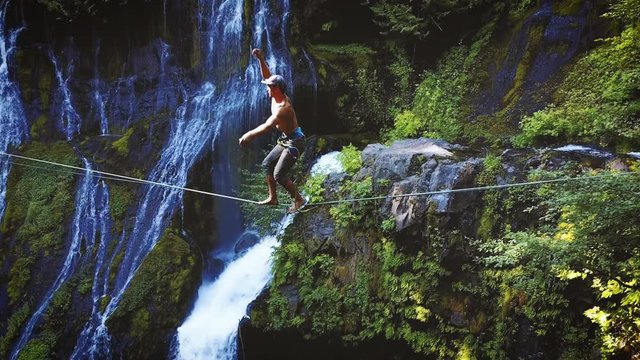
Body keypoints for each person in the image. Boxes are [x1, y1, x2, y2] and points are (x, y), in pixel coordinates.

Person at [239, 48, 306, 213]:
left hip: (295, 142)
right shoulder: (277, 95)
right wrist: (261, 59)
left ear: (276, 89)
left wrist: (248, 136)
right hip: (286, 138)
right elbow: (267, 76)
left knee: (278, 175)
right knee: (267, 163)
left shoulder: (283, 108)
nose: (266, 88)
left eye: (269, 87)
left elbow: (267, 126)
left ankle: (299, 199)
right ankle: (273, 198)